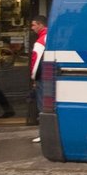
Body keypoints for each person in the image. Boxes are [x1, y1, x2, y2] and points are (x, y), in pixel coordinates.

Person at [30, 15, 48, 143]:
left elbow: (35, 61)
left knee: (42, 106)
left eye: (34, 25)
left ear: (41, 25)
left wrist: (33, 78)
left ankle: (44, 134)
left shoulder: (40, 41)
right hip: (51, 76)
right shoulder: (52, 35)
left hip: (42, 78)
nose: (32, 28)